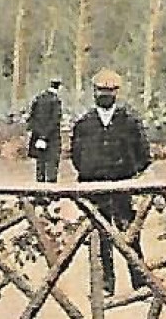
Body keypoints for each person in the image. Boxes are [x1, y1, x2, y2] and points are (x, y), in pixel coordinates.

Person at [69, 68, 152, 294]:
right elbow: (76, 155)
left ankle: (140, 282)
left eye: (110, 91)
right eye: (100, 90)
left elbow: (144, 154)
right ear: (94, 93)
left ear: (117, 93)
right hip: (94, 189)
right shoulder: (84, 124)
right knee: (99, 236)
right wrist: (90, 173)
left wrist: (128, 173)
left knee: (130, 233)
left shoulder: (130, 122)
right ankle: (105, 284)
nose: (105, 95)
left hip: (122, 187)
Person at [27, 76, 65, 183]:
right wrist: (45, 136)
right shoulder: (56, 101)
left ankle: (39, 193)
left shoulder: (38, 98)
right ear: (59, 87)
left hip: (37, 136)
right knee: (52, 165)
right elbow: (55, 120)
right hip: (52, 138)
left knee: (40, 165)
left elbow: (31, 118)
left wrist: (39, 135)